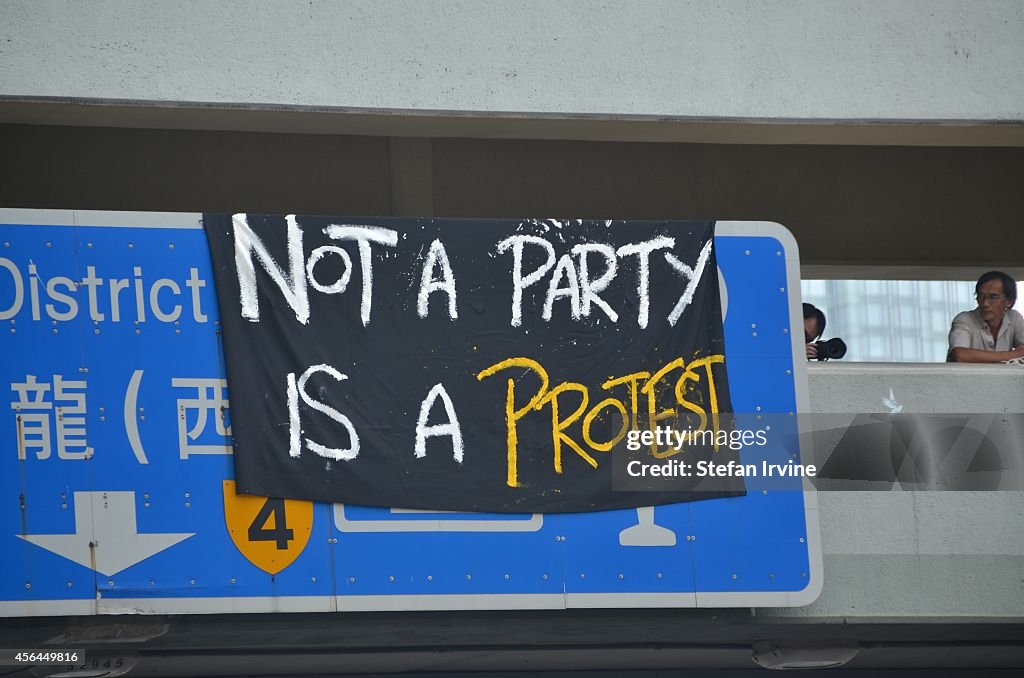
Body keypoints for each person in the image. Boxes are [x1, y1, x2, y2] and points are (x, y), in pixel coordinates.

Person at [948, 271, 1024, 363]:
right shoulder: (964, 319)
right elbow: (960, 355)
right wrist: (1013, 355)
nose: (985, 303)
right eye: (981, 296)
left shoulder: (1014, 318)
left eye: (993, 297)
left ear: (1009, 301)